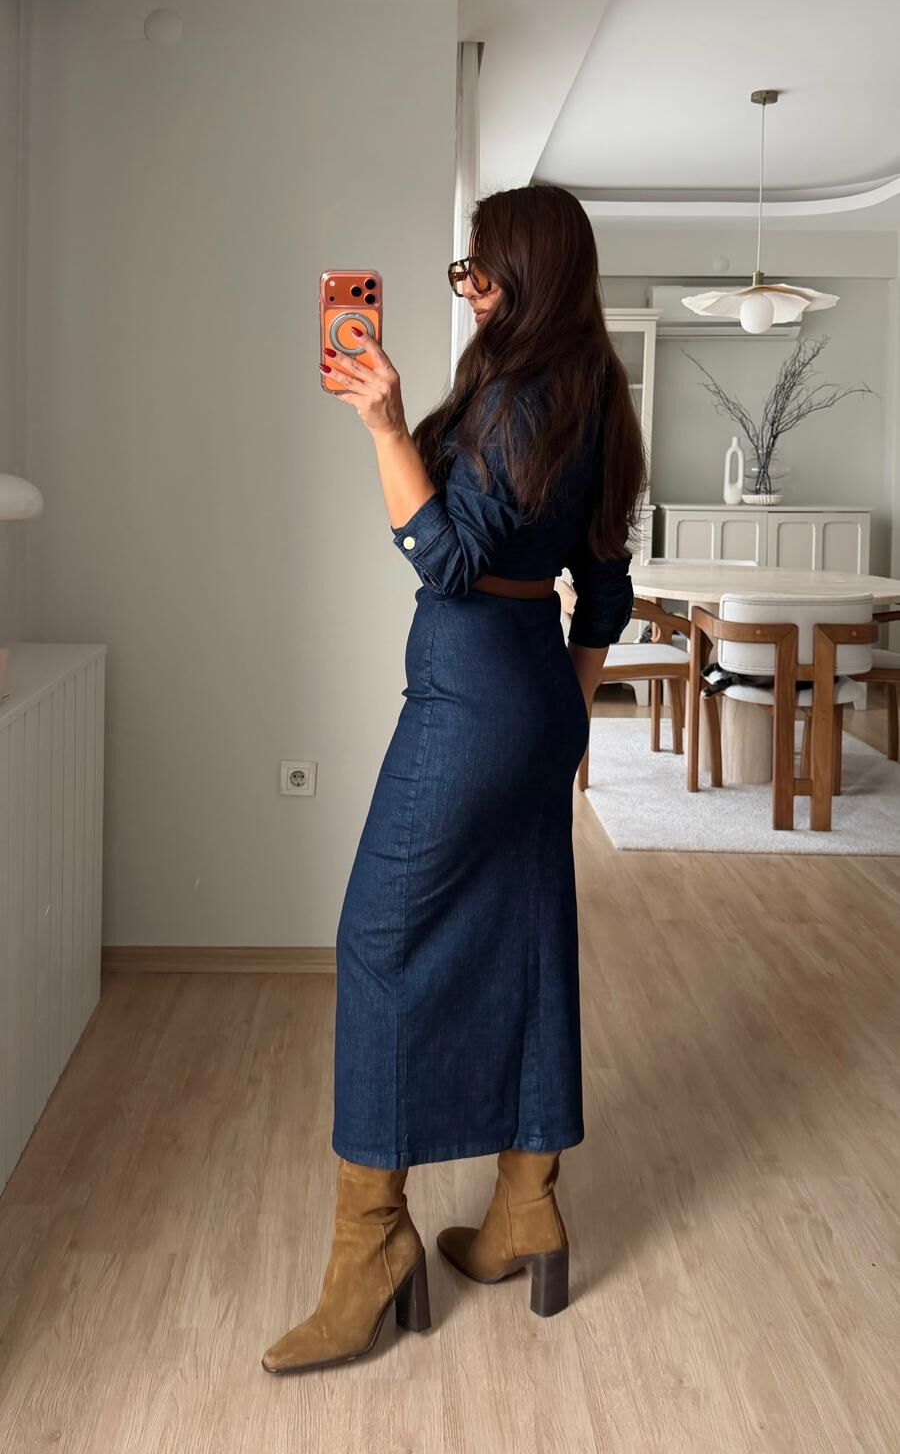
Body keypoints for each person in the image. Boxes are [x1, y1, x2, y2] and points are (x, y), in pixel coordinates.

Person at [262, 183, 648, 1375]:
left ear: (528, 273)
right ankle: (527, 1204)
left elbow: (447, 561)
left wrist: (385, 429)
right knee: (530, 932)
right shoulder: (591, 388)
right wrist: (564, 717)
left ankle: (372, 1246)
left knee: (376, 941)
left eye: (481, 269)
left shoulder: (522, 394)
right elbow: (606, 586)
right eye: (465, 272)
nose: (470, 287)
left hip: (471, 700)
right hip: (535, 695)